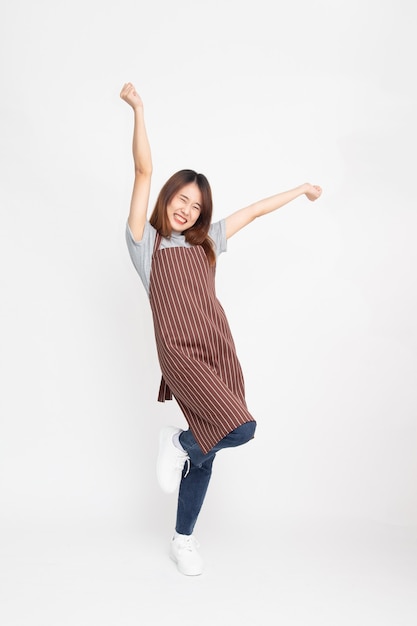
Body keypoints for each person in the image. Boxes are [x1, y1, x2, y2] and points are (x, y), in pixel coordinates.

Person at [120, 82, 322, 576]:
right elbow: (143, 169)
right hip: (180, 355)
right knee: (240, 427)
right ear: (168, 198)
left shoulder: (207, 241)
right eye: (180, 200)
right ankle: (176, 444)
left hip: (217, 350)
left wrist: (298, 190)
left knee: (208, 450)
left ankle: (183, 540)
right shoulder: (145, 244)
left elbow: (252, 211)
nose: (186, 210)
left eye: (195, 205)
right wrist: (139, 109)